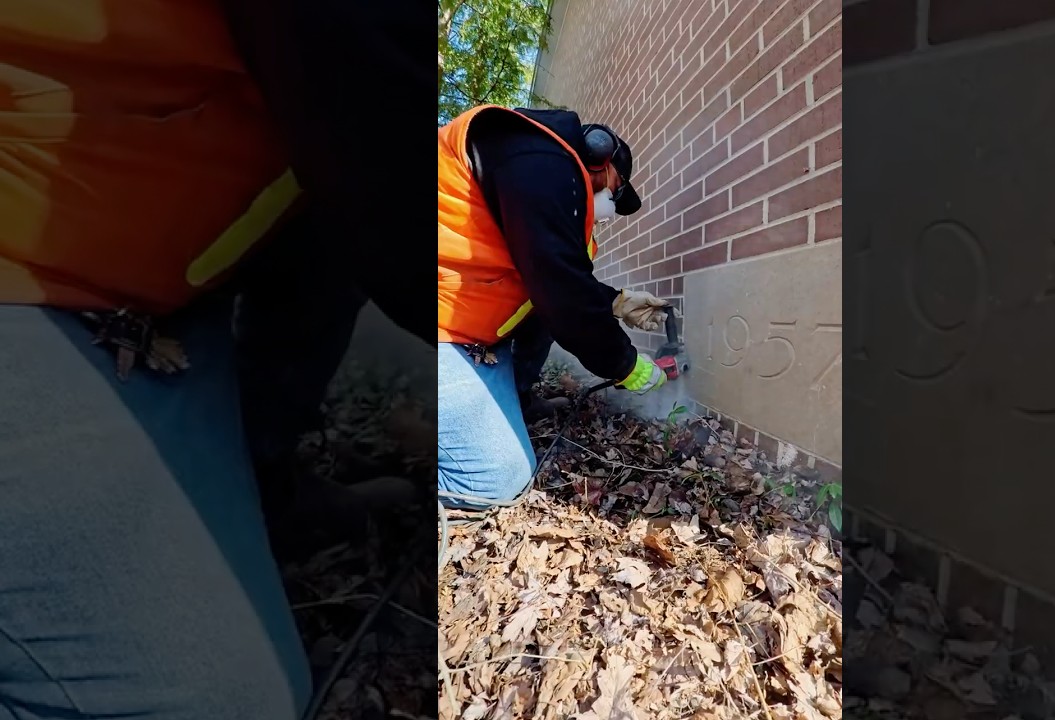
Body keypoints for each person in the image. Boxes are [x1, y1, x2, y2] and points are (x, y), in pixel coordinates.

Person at [0, 0, 434, 716]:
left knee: (327, 231)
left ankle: (261, 483)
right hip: (30, 274)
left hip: (135, 260)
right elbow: (404, 207)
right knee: (219, 700)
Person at [437, 104, 673, 506]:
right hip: (436, 332)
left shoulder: (543, 171)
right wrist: (625, 365)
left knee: (541, 316)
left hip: (467, 329)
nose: (612, 205)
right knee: (497, 481)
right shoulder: (540, 161)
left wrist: (617, 301)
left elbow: (545, 272)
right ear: (598, 154)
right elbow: (559, 286)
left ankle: (518, 397)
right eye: (616, 189)